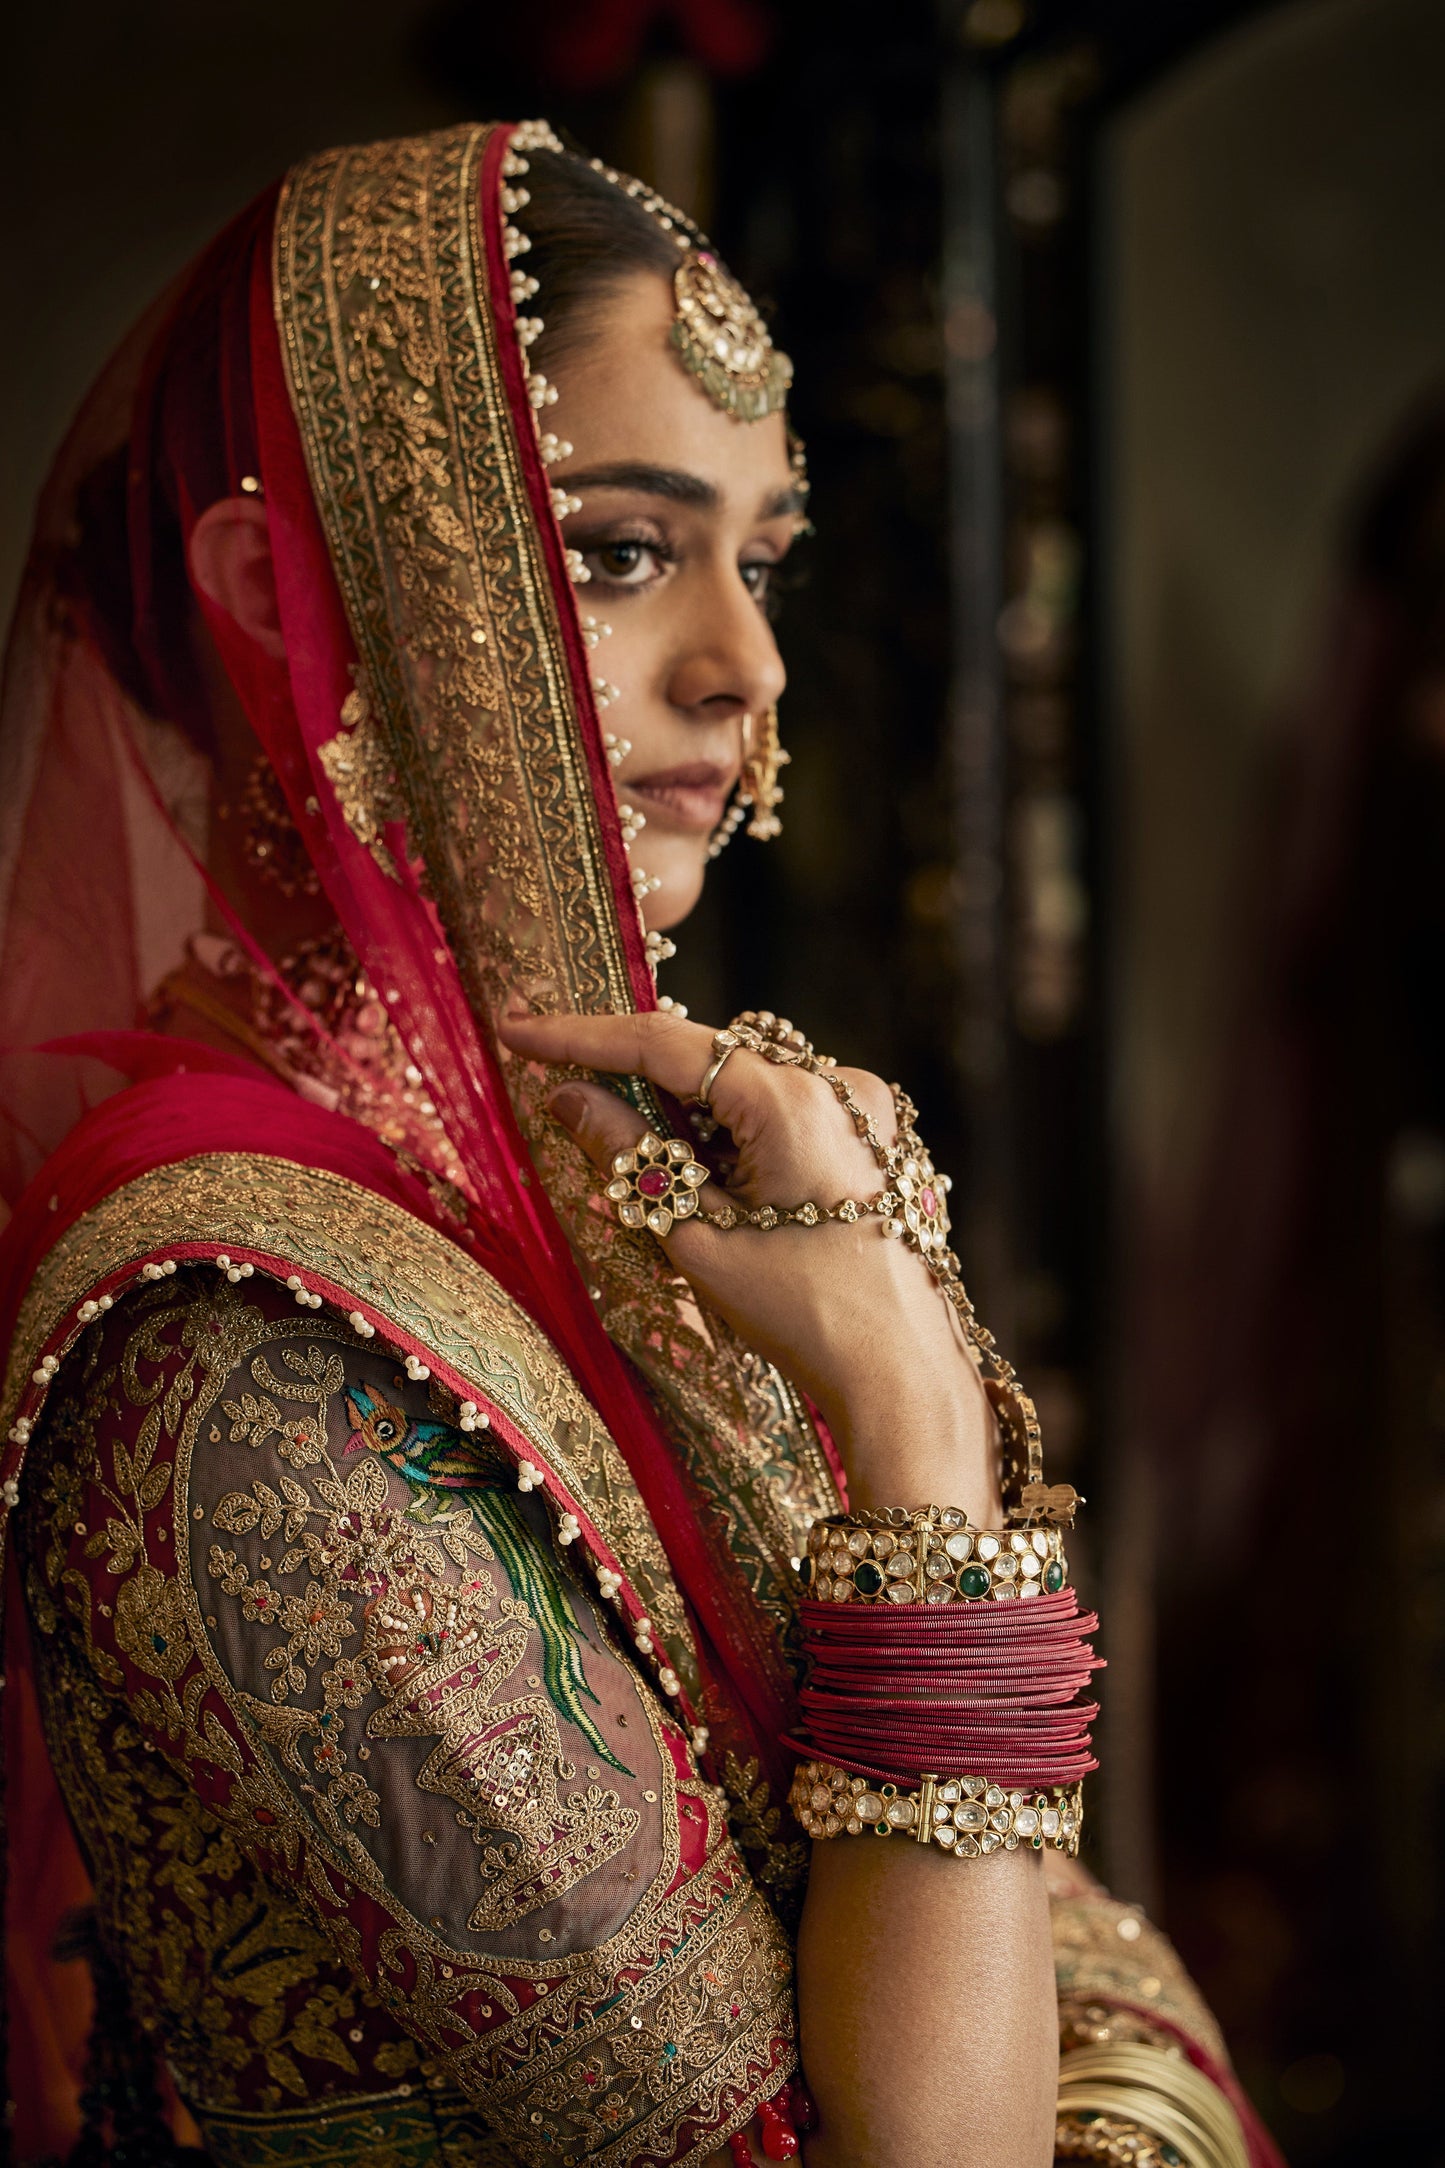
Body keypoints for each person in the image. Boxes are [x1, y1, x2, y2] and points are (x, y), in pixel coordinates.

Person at [0, 121, 1269, 2167]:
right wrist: (920, 1439)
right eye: (614, 548)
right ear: (272, 592)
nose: (747, 666)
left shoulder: (633, 1181)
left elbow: (1077, 1941)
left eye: (761, 558)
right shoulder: (240, 1366)